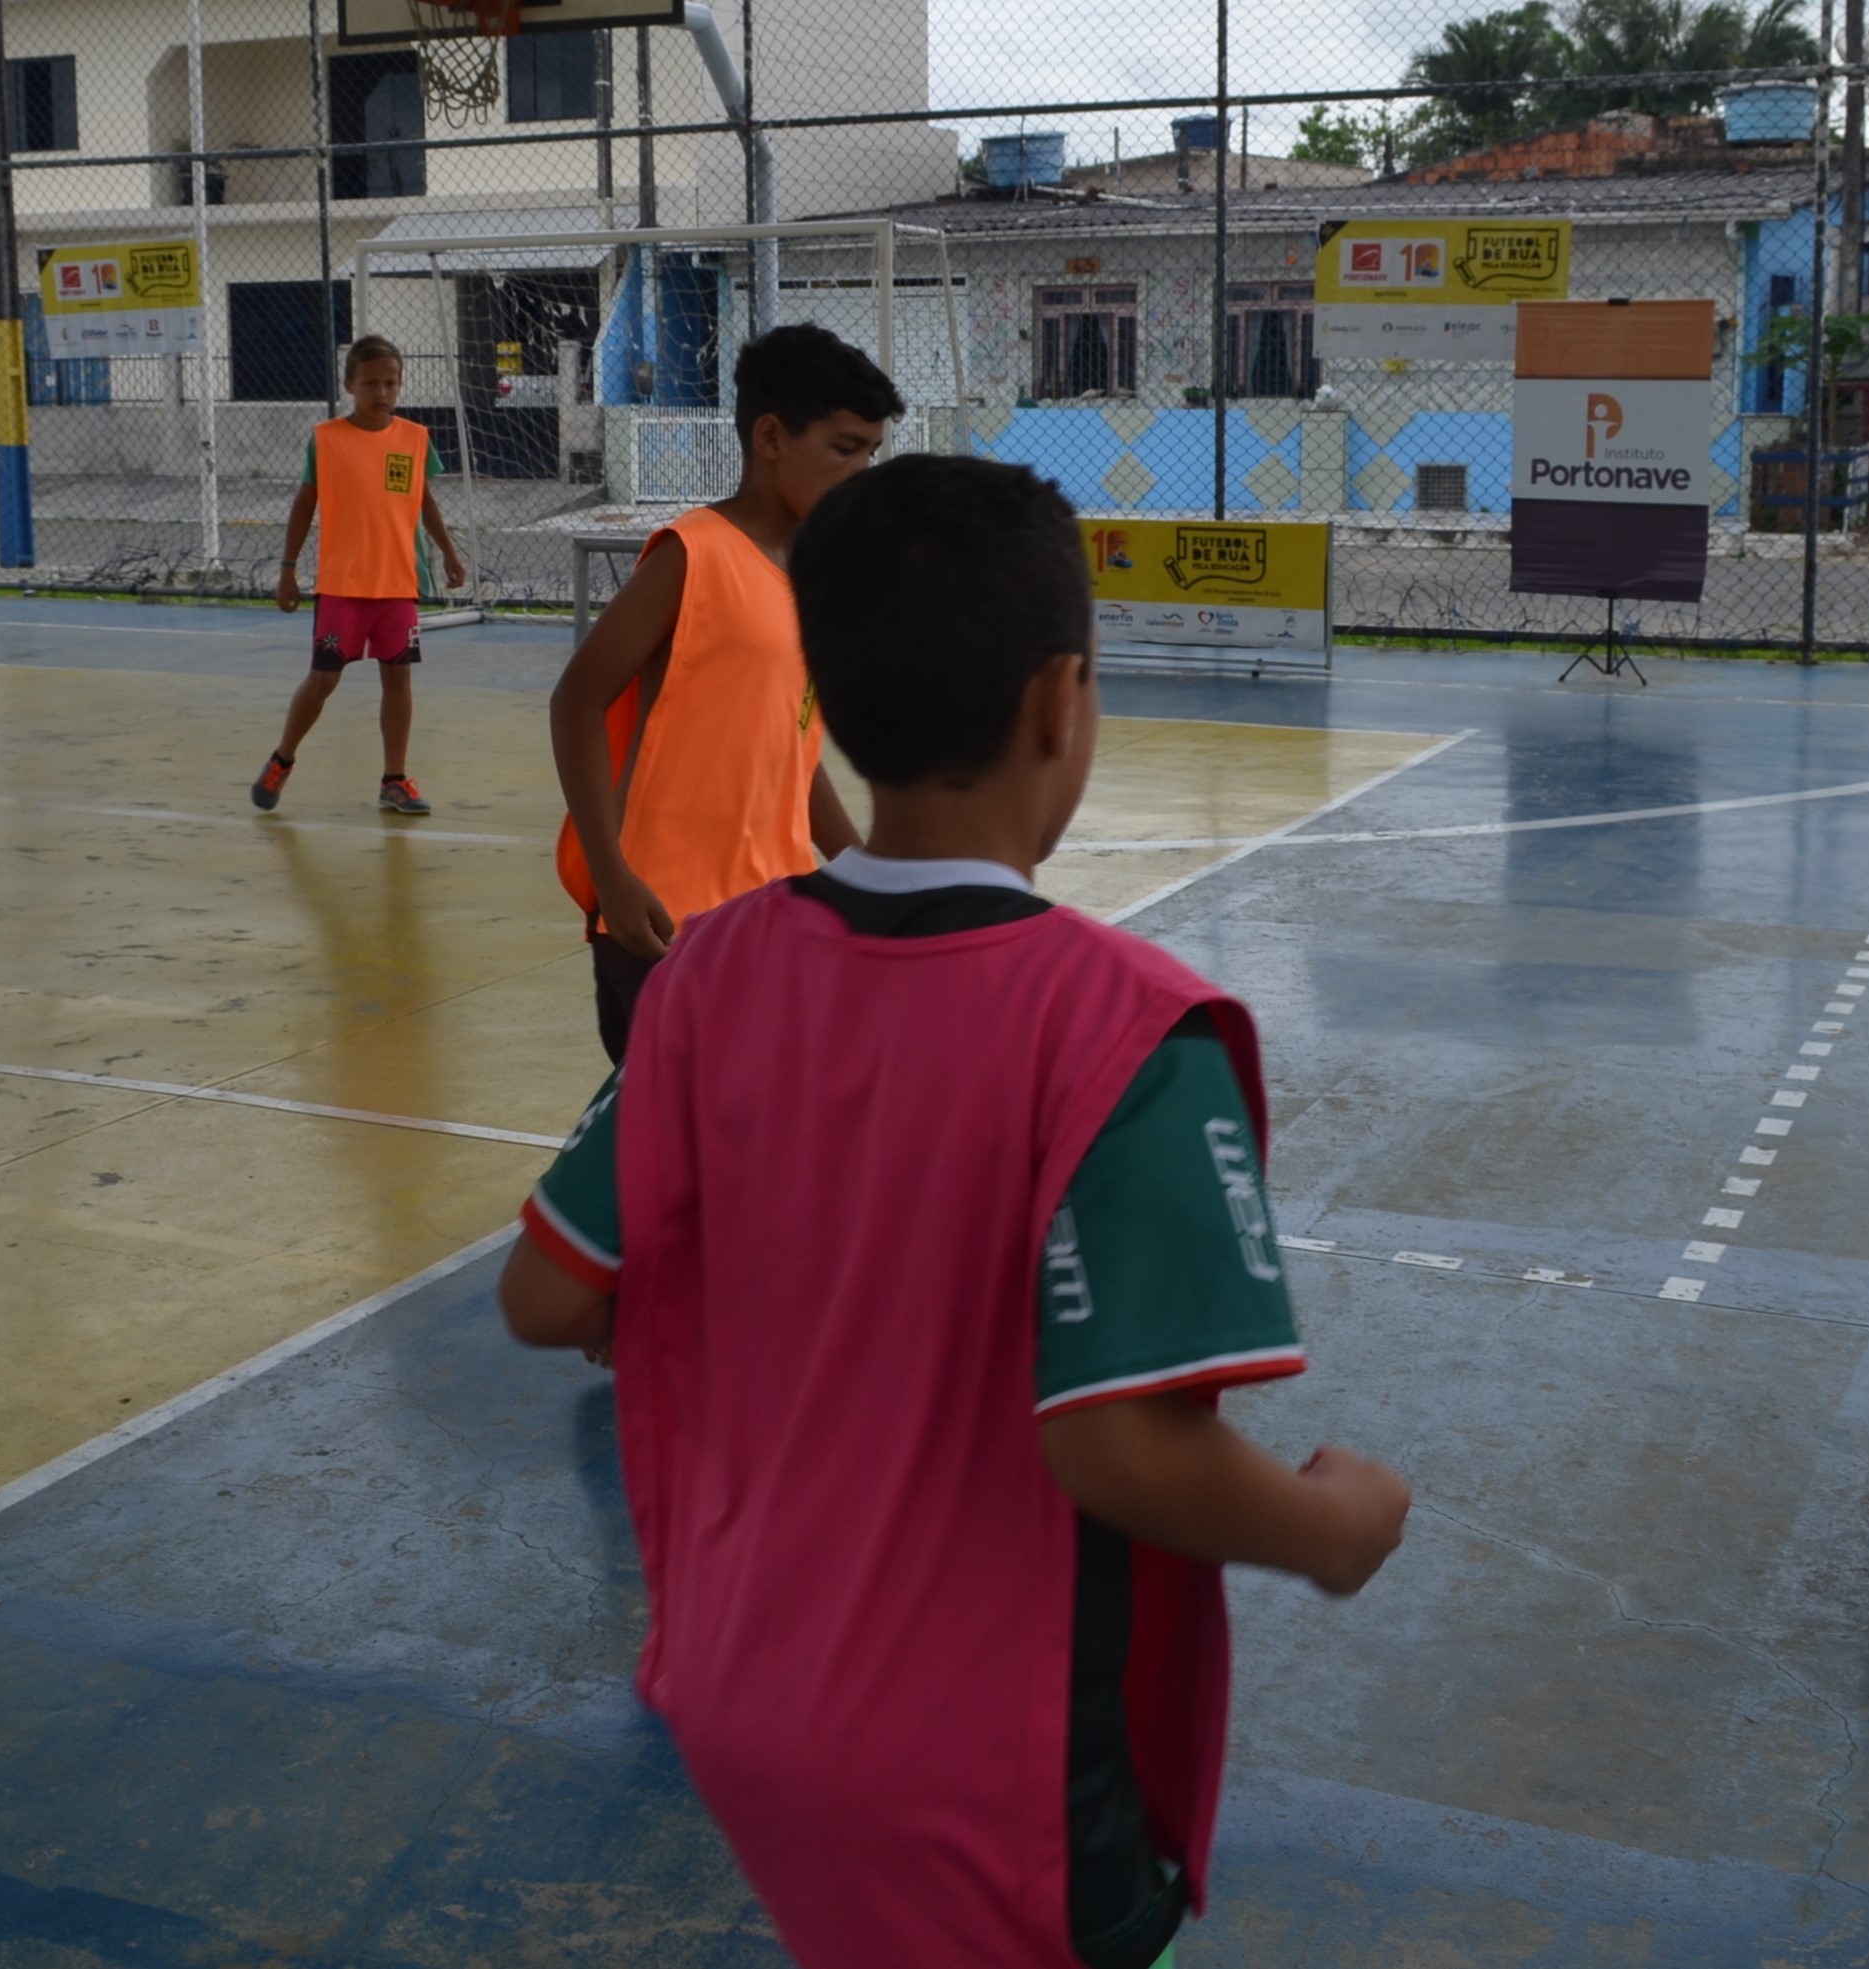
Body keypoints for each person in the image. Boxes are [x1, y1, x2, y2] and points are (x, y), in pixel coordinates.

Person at [499, 454, 1411, 1969]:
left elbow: (549, 1294)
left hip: (743, 1699)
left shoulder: (706, 980)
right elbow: (1114, 1442)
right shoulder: (1128, 1030)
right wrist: (1325, 1525)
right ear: (1063, 703)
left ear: (831, 706)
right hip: (990, 1772)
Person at [550, 324, 895, 1063]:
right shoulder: (693, 553)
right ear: (770, 437)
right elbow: (576, 702)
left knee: (757, 1147)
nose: (862, 470)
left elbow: (791, 755)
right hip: (664, 919)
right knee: (675, 1151)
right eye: (844, 448)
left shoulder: (810, 575)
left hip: (771, 916)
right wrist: (612, 877)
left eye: (871, 451)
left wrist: (863, 868)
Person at [254, 334, 464, 816]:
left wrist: (448, 550)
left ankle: (395, 779)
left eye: (390, 383)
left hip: (396, 586)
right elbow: (305, 503)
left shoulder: (414, 438)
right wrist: (287, 570)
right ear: (350, 383)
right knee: (323, 681)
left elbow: (424, 500)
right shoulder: (326, 439)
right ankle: (282, 759)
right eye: (370, 383)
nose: (381, 392)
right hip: (342, 587)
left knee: (399, 679)